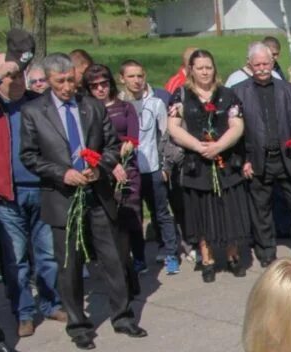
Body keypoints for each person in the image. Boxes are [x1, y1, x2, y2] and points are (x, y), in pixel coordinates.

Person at [20, 53, 147, 349]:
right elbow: (29, 156)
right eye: (60, 82)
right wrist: (62, 174)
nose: (67, 87)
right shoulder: (34, 112)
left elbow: (112, 145)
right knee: (70, 265)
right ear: (49, 81)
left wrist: (99, 167)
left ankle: (123, 316)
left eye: (71, 80)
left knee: (113, 258)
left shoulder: (91, 106)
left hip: (97, 194)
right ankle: (79, 325)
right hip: (62, 197)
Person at [167, 49, 249, 283]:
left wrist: (219, 146)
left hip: (225, 162)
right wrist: (199, 146)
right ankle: (208, 259)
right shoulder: (181, 95)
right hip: (197, 164)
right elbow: (173, 127)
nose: (205, 72)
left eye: (209, 67)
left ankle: (233, 256)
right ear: (191, 70)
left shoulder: (228, 94)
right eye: (200, 68)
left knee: (229, 210)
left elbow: (237, 124)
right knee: (202, 213)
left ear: (214, 69)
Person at [0, 53, 65, 338]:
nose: (14, 79)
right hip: (6, 194)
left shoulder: (35, 104)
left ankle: (51, 302)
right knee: (16, 259)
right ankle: (24, 313)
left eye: (18, 73)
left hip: (41, 188)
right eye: (7, 75)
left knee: (47, 254)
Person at [234, 42, 291, 267]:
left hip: (286, 158)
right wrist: (244, 161)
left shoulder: (287, 90)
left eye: (265, 63)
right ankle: (266, 251)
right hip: (257, 159)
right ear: (249, 65)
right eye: (257, 64)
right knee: (261, 210)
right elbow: (237, 133)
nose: (261, 68)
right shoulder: (239, 92)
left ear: (272, 63)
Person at [84, 64, 145, 296]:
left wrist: (117, 160)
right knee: (109, 231)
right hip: (100, 173)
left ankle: (132, 271)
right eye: (94, 86)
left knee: (126, 226)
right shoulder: (86, 110)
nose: (100, 89)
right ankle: (119, 276)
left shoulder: (124, 107)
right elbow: (88, 147)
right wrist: (107, 163)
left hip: (126, 170)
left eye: (104, 84)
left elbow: (130, 140)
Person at [118, 58, 180, 275]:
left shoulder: (155, 104)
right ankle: (139, 258)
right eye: (131, 76)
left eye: (140, 76)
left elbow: (165, 136)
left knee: (161, 212)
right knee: (133, 216)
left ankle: (171, 252)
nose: (136, 81)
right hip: (130, 171)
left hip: (154, 168)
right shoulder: (118, 105)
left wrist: (166, 166)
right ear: (122, 79)